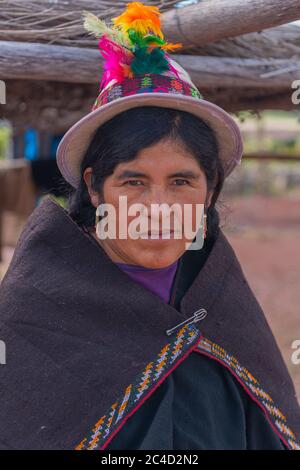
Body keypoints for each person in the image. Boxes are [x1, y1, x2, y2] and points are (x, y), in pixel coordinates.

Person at [0, 2, 299, 450]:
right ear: (95, 187)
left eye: (181, 181)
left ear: (211, 189)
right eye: (133, 181)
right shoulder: (33, 311)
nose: (157, 208)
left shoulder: (223, 305)